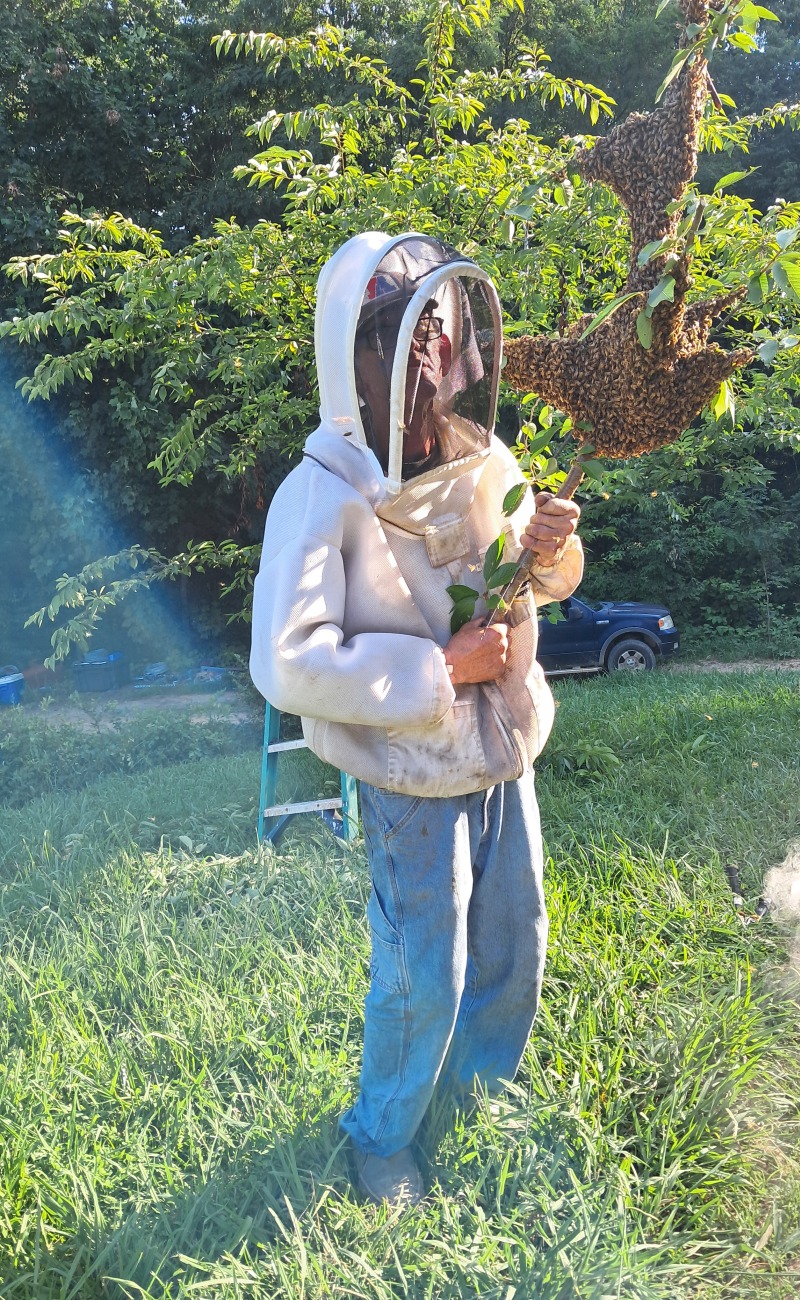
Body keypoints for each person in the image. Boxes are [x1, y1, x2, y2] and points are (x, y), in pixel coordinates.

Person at [249, 232, 582, 1206]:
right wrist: (439, 669)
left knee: (515, 943)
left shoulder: (484, 458)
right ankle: (382, 1136)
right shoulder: (318, 495)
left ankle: (479, 1095)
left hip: (503, 752)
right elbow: (287, 659)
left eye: (437, 330)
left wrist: (550, 548)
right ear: (354, 354)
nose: (428, 355)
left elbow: (530, 579)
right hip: (411, 778)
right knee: (423, 972)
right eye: (400, 335)